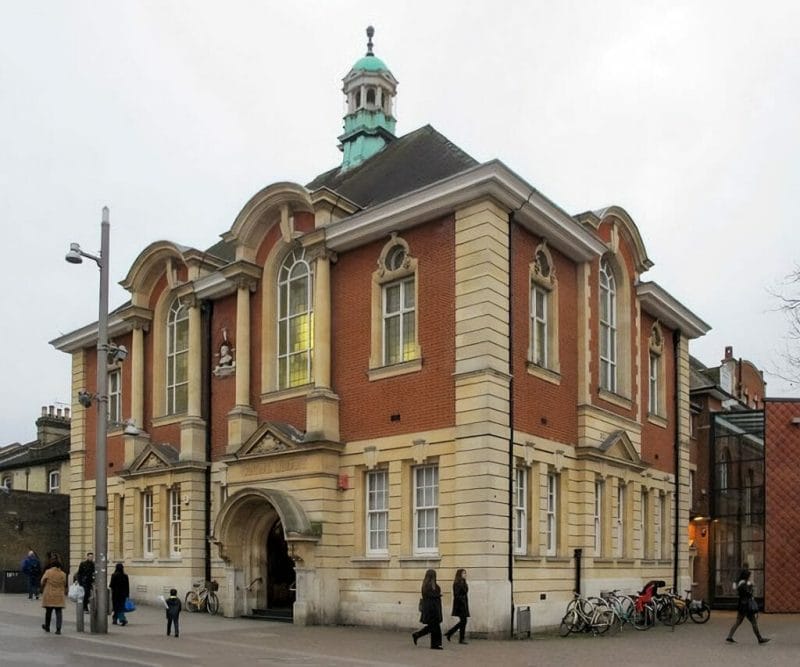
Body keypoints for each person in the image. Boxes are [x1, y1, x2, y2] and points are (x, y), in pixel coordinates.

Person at [726, 567, 770, 644]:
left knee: (738, 622)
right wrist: (750, 586)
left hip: (742, 605)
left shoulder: (739, 583)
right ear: (746, 576)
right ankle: (760, 639)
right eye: (749, 576)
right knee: (753, 622)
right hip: (747, 606)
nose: (749, 577)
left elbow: (738, 590)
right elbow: (748, 593)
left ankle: (729, 637)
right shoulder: (744, 584)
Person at [412, 569, 443, 649]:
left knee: (433, 627)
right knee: (434, 627)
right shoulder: (427, 586)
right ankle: (435, 644)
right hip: (431, 610)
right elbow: (431, 596)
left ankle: (418, 635)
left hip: (433, 609)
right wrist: (439, 595)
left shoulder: (431, 585)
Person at [40, 554, 67, 635]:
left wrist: (44, 585)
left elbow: (42, 581)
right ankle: (58, 629)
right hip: (59, 595)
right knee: (58, 612)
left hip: (49, 594)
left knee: (48, 611)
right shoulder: (63, 574)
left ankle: (47, 626)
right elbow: (64, 583)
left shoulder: (48, 572)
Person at [444, 568, 470, 644]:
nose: (465, 574)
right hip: (460, 605)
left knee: (463, 621)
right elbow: (457, 594)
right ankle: (459, 638)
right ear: (459, 574)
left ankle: (451, 633)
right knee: (464, 621)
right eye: (463, 573)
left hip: (463, 603)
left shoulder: (463, 582)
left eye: (465, 573)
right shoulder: (457, 583)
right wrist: (462, 601)